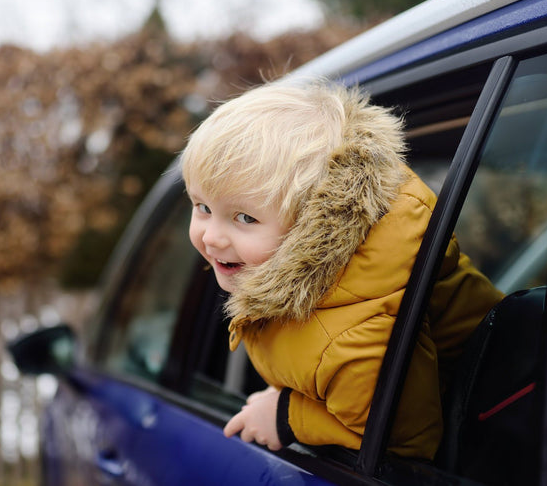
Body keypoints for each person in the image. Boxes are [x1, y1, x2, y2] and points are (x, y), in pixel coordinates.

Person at [179, 78, 503, 459]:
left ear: (313, 223)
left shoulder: (351, 339)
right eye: (202, 207)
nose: (212, 238)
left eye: (245, 217)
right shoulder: (321, 282)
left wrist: (287, 417)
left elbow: (404, 439)